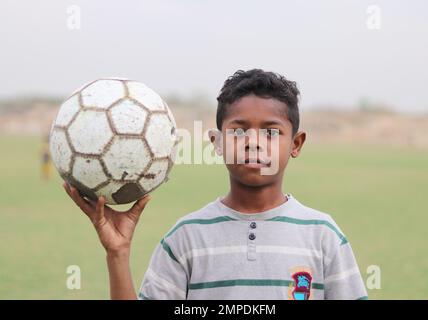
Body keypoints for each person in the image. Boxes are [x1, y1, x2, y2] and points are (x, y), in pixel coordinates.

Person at [63, 69, 368, 300]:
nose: (253, 143)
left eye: (271, 132)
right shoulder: (185, 238)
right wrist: (118, 253)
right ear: (217, 142)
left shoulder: (324, 236)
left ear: (296, 144)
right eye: (238, 131)